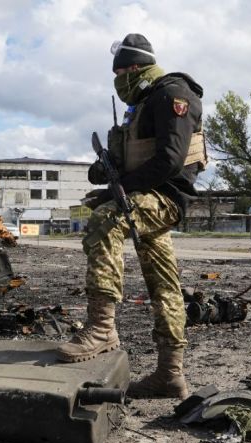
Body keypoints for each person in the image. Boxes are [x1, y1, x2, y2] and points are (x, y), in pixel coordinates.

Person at [54, 33, 206, 399]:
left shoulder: (173, 94)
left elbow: (170, 160)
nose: (118, 79)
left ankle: (102, 328)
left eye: (121, 71)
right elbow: (136, 155)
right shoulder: (142, 102)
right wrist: (105, 172)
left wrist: (115, 192)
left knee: (104, 218)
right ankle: (170, 375)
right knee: (164, 284)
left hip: (165, 198)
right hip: (142, 195)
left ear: (136, 68)